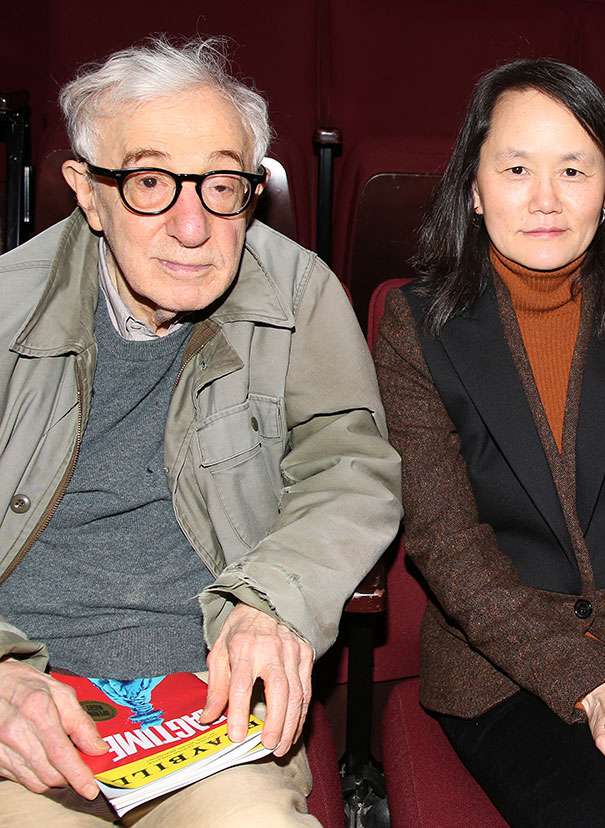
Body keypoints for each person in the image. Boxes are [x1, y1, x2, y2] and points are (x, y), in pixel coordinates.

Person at [0, 36, 402, 827]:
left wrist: (273, 602)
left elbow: (348, 465)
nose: (193, 225)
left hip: (209, 699)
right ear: (88, 192)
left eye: (221, 184)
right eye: (150, 181)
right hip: (31, 705)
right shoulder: (8, 307)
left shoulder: (296, 294)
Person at [374, 58, 605, 827]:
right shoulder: (416, 327)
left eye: (573, 170)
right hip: (507, 669)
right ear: (475, 189)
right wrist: (597, 685)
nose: (546, 199)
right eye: (517, 168)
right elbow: (447, 546)